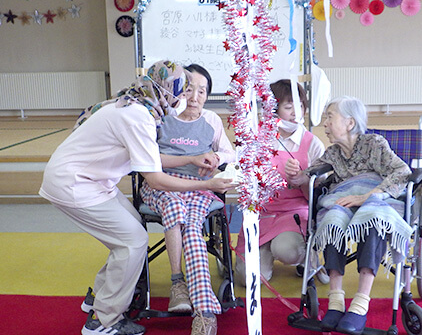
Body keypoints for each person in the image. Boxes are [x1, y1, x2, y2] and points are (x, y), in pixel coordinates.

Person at [39, 60, 234, 335]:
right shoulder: (139, 117)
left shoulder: (137, 105)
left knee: (131, 226)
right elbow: (154, 178)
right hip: (76, 184)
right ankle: (104, 320)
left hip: (92, 180)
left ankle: (101, 296)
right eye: (182, 91)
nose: (185, 99)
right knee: (133, 241)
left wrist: (196, 162)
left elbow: (151, 157)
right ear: (166, 91)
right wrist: (208, 183)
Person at [285, 96, 413, 335]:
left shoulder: (374, 144)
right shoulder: (333, 153)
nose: (325, 124)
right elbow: (307, 177)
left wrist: (366, 197)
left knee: (372, 220)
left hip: (375, 199)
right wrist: (296, 175)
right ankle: (335, 300)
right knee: (333, 217)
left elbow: (402, 172)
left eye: (329, 117)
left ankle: (360, 303)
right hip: (345, 202)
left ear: (350, 123)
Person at [140, 64, 235, 335]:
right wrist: (190, 159)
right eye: (189, 89)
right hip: (162, 184)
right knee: (174, 204)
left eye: (202, 91)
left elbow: (230, 153)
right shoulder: (160, 117)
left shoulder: (211, 120)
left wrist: (218, 157)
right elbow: (149, 160)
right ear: (177, 90)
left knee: (193, 227)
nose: (195, 97)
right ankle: (177, 281)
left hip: (199, 187)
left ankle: (203, 312)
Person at [235, 79, 329, 286]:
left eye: (301, 106)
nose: (297, 113)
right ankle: (264, 252)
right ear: (273, 109)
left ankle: (303, 255)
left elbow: (319, 193)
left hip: (293, 212)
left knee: (288, 251)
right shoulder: (256, 137)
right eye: (289, 107)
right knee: (247, 280)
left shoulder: (313, 144)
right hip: (260, 213)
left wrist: (301, 180)